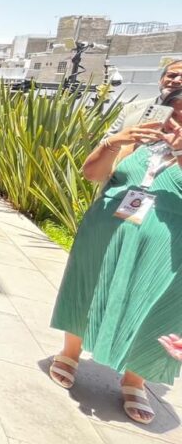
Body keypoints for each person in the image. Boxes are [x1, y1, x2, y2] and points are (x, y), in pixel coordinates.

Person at [49, 88, 182, 425]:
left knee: (154, 306)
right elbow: (92, 174)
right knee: (88, 286)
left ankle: (135, 379)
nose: (178, 122)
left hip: (166, 248)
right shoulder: (140, 141)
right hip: (106, 230)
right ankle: (70, 353)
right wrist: (114, 142)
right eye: (175, 113)